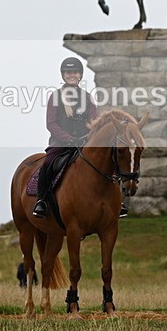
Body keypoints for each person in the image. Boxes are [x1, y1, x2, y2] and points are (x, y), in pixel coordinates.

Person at [34, 57, 128, 219]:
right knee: (48, 164)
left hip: (85, 142)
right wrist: (69, 139)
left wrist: (87, 137)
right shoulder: (55, 97)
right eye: (68, 72)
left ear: (80, 75)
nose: (72, 75)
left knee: (110, 162)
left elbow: (94, 122)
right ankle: (41, 201)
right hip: (61, 144)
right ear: (63, 75)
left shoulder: (87, 97)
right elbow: (51, 124)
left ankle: (117, 201)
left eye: (75, 72)